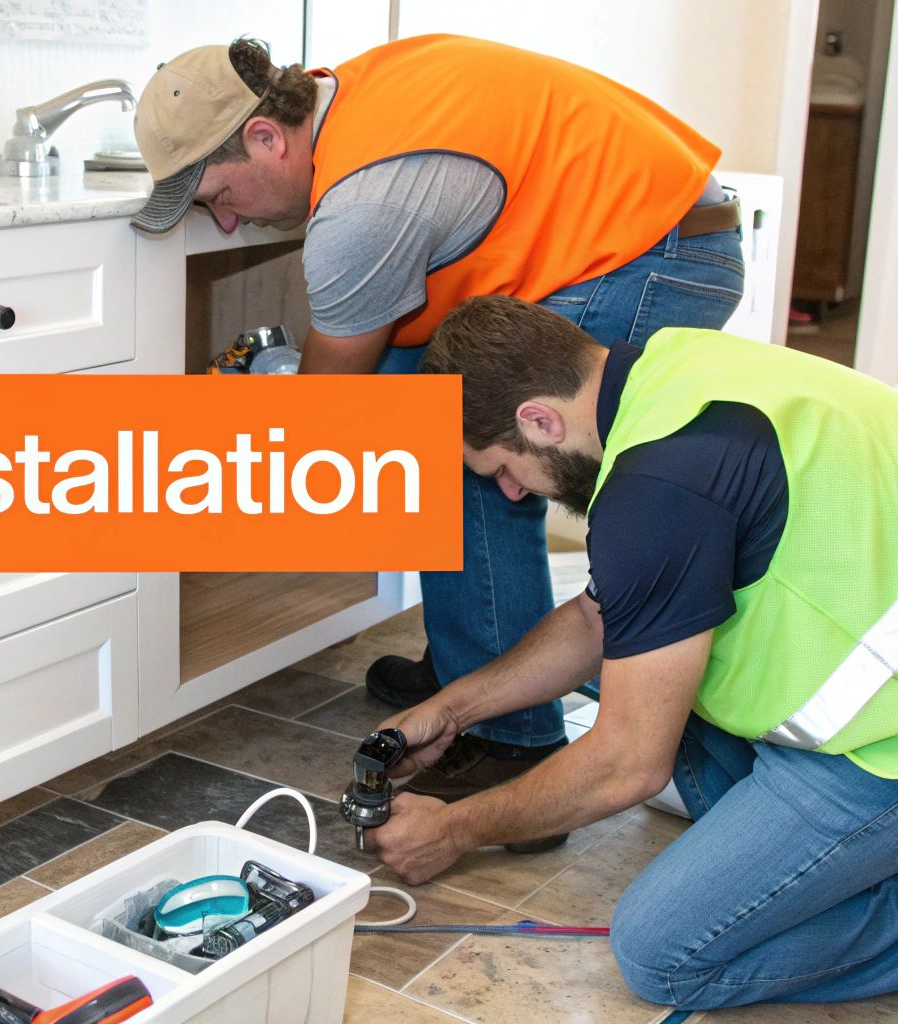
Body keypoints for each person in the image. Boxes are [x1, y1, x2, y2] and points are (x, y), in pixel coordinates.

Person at [363, 294, 898, 1010]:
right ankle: (841, 860)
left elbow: (628, 763)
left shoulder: (656, 489)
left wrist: (459, 828)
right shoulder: (677, 373)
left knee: (665, 951)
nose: (512, 493)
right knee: (654, 679)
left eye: (502, 468)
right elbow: (602, 621)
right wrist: (451, 708)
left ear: (539, 420)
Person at [130, 35, 746, 837]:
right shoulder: (350, 95)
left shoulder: (364, 209)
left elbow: (326, 410)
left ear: (266, 137)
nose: (226, 217)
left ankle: (509, 736)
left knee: (464, 447)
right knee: (430, 414)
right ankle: (475, 653)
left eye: (217, 191)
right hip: (661, 229)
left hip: (650, 260)